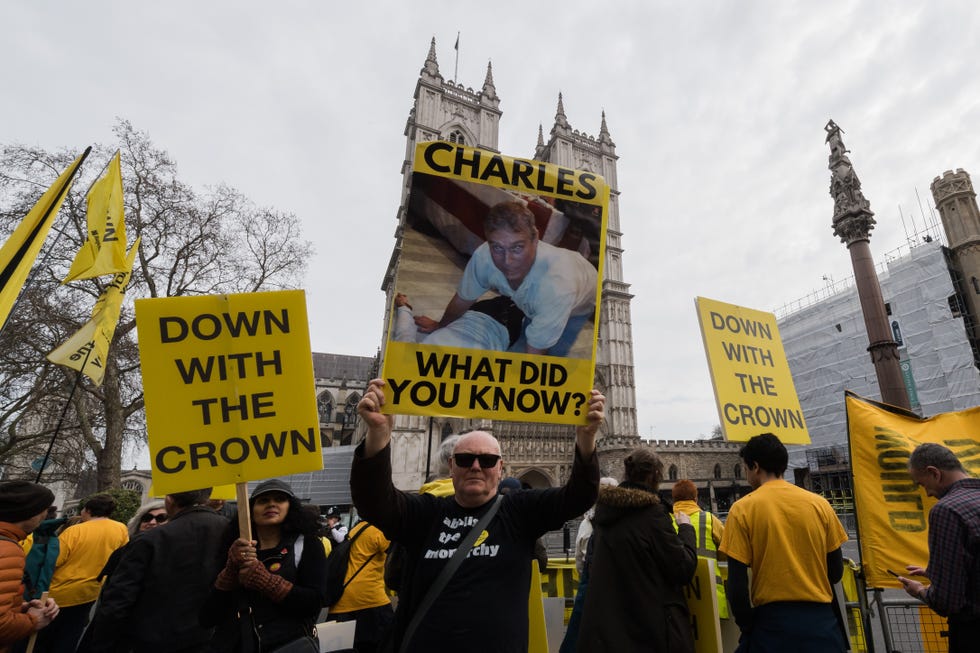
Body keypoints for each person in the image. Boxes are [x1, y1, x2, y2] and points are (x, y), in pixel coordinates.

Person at [352, 378, 603, 652]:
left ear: (500, 468)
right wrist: (377, 435)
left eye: (486, 460)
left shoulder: (518, 512)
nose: (475, 467)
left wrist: (586, 438)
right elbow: (374, 502)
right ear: (451, 466)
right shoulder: (427, 513)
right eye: (464, 459)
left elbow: (579, 496)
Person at [414, 201, 598, 356]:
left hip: (582, 299)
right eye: (498, 248)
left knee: (549, 352)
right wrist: (440, 326)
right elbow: (462, 300)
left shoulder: (556, 288)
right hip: (545, 293)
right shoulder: (484, 256)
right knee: (529, 327)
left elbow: (534, 356)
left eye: (517, 248)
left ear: (535, 239)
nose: (507, 261)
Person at [719, 433, 848, 652]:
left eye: (746, 469)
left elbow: (737, 586)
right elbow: (835, 571)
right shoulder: (820, 505)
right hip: (822, 623)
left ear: (755, 467)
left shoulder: (742, 510)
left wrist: (748, 626)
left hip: (773, 625)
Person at [576, 448, 697, 652]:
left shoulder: (604, 515)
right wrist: (686, 529)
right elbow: (682, 568)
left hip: (606, 632)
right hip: (646, 629)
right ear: (655, 475)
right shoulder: (653, 514)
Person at [83, 488, 227, 652]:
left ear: (169, 500)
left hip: (148, 640)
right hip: (204, 639)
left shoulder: (149, 540)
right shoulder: (229, 531)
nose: (152, 521)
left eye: (160, 517)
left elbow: (118, 601)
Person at [201, 479, 327, 652]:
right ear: (250, 509)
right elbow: (207, 617)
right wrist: (229, 573)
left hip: (288, 645)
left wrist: (266, 581)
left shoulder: (307, 544)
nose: (272, 504)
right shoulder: (234, 549)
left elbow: (313, 603)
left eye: (279, 499)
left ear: (291, 506)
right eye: (263, 501)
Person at [896, 443, 980, 651]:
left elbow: (947, 601)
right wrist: (937, 573)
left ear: (934, 473)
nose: (928, 494)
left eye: (923, 484)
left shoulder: (947, 510)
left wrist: (920, 591)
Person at [35, 494, 128, 652]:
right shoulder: (121, 529)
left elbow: (53, 561)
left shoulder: (74, 531)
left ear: (88, 510)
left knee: (42, 640)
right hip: (90, 593)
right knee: (69, 638)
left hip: (58, 594)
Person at [557, 476, 618, 653]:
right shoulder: (627, 521)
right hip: (618, 588)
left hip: (591, 585)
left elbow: (579, 559)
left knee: (580, 633)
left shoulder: (586, 522)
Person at [0, 481, 59, 652]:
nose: (45, 515)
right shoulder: (9, 549)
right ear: (30, 513)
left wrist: (21, 607)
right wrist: (34, 620)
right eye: (44, 509)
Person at [326, 520, 393, 653]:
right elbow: (399, 559)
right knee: (387, 644)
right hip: (370, 601)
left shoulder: (357, 528)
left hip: (340, 602)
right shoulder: (380, 529)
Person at [672, 478, 729, 619]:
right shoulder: (709, 519)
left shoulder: (665, 521)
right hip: (711, 596)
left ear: (674, 499)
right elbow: (727, 550)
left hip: (679, 599)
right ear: (695, 498)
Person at [97, 500, 167, 583]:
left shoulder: (174, 554)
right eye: (147, 518)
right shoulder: (123, 552)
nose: (152, 522)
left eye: (161, 518)